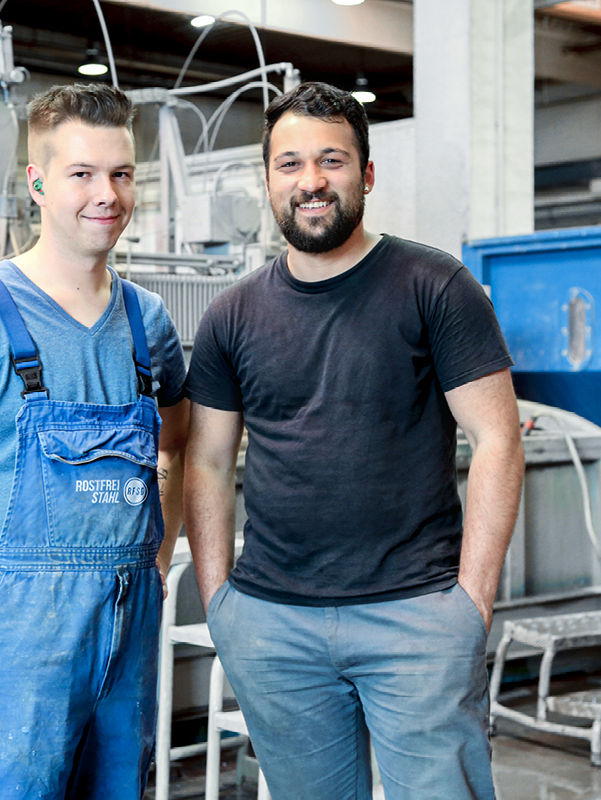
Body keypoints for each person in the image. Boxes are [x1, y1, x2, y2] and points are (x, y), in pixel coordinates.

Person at [183, 81, 524, 800]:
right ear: (268, 179)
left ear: (366, 174)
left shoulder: (436, 286)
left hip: (418, 616)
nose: (312, 182)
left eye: (332, 161)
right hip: (273, 625)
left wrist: (472, 605)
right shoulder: (231, 316)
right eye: (291, 164)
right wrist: (221, 602)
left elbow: (497, 439)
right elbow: (207, 461)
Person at [0, 83, 189, 800]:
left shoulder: (149, 323)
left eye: (121, 174)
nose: (107, 195)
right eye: (81, 174)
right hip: (15, 637)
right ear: (36, 183)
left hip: (126, 628)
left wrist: (149, 559)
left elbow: (178, 449)